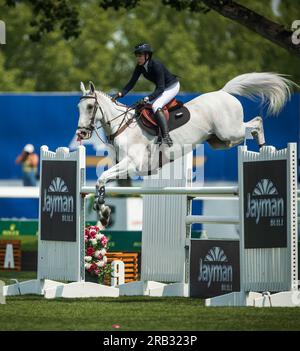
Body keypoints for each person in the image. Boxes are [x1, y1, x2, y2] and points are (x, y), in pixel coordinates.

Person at [113, 43, 180, 147]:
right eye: (137, 56)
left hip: (172, 87)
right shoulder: (140, 67)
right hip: (162, 88)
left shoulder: (156, 65)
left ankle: (166, 136)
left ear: (147, 56)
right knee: (142, 107)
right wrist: (120, 94)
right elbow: (131, 83)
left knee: (155, 106)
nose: (138, 58)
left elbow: (161, 88)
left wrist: (147, 98)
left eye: (140, 55)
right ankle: (155, 134)